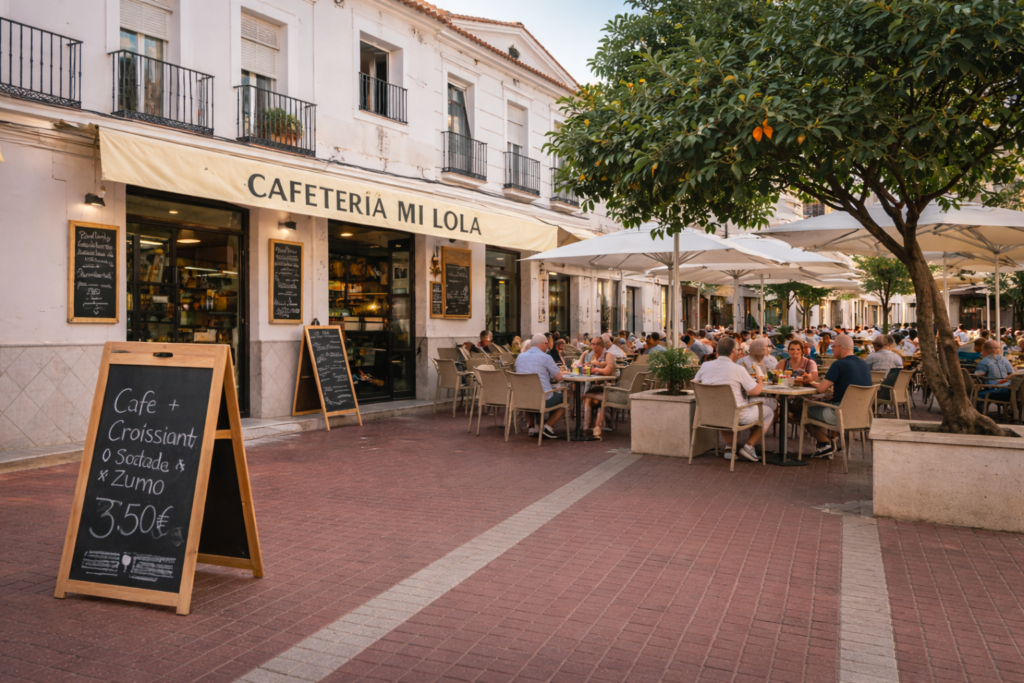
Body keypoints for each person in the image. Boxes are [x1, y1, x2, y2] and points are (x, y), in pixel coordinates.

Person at [693, 337, 774, 462]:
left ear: (717, 351)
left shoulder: (705, 365)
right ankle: (749, 446)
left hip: (709, 414)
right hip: (737, 415)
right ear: (733, 352)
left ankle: (730, 448)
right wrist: (759, 379)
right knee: (769, 412)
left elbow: (695, 383)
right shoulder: (738, 369)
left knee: (721, 405)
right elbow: (755, 391)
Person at [802, 334, 872, 458]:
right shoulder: (864, 364)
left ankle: (825, 444)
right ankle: (825, 446)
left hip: (838, 414)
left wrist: (810, 382)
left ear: (841, 348)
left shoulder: (838, 364)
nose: (831, 349)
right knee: (819, 407)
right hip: (861, 415)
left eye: (833, 346)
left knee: (803, 411)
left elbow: (822, 388)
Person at [513, 333, 565, 438]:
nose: (547, 346)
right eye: (546, 343)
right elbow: (559, 378)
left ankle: (533, 427)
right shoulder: (546, 357)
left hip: (522, 399)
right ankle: (548, 426)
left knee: (531, 398)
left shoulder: (520, 357)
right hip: (541, 399)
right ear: (542, 343)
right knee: (563, 400)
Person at [580, 336, 621, 439]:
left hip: (612, 388)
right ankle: (587, 428)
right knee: (588, 399)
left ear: (601, 345)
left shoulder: (609, 355)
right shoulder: (592, 356)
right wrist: (584, 356)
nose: (592, 346)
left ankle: (597, 427)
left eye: (595, 344)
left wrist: (595, 369)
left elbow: (607, 371)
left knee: (593, 398)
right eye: (591, 344)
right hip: (599, 387)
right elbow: (581, 366)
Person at [974, 340, 1016, 409]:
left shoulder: (984, 361)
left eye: (995, 348)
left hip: (997, 391)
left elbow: (978, 377)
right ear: (986, 349)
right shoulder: (1005, 360)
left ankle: (981, 415)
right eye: (991, 348)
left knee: (977, 394)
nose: (993, 350)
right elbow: (1012, 374)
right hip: (1011, 391)